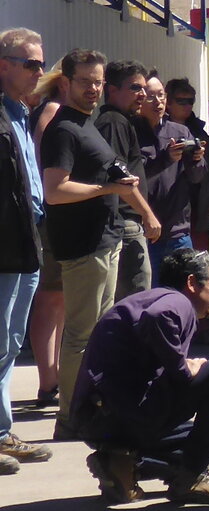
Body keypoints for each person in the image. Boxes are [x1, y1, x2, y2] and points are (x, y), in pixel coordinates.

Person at [76, 248, 209, 506]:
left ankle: (120, 462)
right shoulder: (176, 302)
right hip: (122, 413)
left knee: (208, 444)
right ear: (191, 283)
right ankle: (189, 477)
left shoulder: (147, 299)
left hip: (101, 420)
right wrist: (184, 368)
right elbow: (158, 317)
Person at [42, 49, 144, 440]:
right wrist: (108, 189)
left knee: (96, 334)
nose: (94, 89)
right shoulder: (65, 129)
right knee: (81, 336)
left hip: (104, 241)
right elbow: (55, 190)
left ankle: (87, 407)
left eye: (98, 81)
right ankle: (69, 416)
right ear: (66, 82)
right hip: (84, 247)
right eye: (86, 81)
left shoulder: (87, 125)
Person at [0, 29, 48, 473]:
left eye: (40, 63)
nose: (39, 71)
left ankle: (1, 431)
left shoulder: (20, 113)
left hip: (25, 241)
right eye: (30, 63)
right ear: (4, 65)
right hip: (6, 245)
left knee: (10, 343)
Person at [23, 65, 70, 415]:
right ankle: (48, 381)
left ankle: (53, 380)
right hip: (52, 218)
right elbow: (38, 159)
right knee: (52, 300)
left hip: (57, 216)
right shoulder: (53, 110)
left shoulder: (54, 109)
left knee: (60, 302)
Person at [94, 59, 163, 299]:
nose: (142, 95)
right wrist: (147, 214)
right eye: (135, 88)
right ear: (112, 90)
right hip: (126, 224)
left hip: (128, 224)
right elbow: (120, 177)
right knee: (135, 300)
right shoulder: (113, 122)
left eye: (144, 88)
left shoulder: (123, 121)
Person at [139, 74, 200, 272]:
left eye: (161, 96)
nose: (158, 102)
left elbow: (198, 177)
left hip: (179, 233)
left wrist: (196, 160)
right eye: (151, 96)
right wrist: (165, 159)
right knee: (151, 296)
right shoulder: (131, 133)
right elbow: (135, 178)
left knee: (184, 294)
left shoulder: (180, 132)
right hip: (148, 232)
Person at [163, 78, 209, 252]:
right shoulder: (157, 130)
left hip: (197, 211)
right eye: (181, 101)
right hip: (167, 211)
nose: (186, 105)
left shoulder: (200, 134)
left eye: (190, 101)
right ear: (168, 103)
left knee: (198, 265)